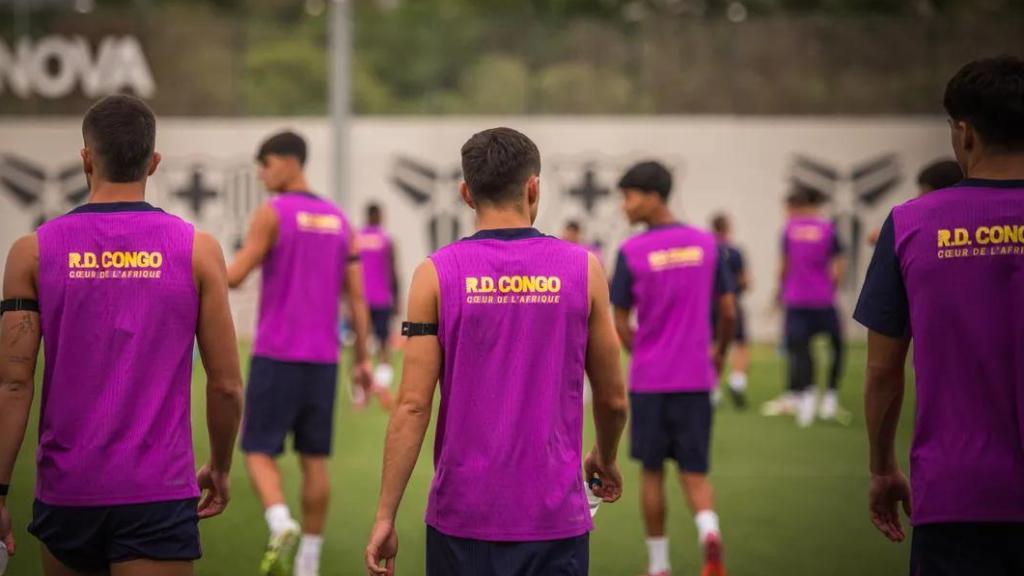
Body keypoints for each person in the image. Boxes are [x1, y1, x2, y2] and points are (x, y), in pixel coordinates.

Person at [365, 127, 628, 576]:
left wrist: (385, 516)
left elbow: (412, 406)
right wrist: (604, 457)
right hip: (554, 520)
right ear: (533, 188)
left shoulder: (434, 274)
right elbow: (613, 399)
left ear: (466, 194)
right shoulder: (584, 270)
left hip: (462, 518)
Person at [0, 95, 244, 576]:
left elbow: (12, 383)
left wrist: (1, 492)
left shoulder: (30, 253)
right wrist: (219, 466)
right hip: (157, 492)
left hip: (67, 492)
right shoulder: (198, 250)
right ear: (153, 163)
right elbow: (227, 386)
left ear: (86, 159)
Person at [855, 55, 1024, 576]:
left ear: (964, 133)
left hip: (958, 494)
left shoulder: (911, 224)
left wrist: (882, 466)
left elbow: (883, 371)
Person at [227, 130, 373, 576]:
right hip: (323, 362)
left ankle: (280, 521)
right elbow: (357, 299)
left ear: (290, 162)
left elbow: (234, 276)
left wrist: (193, 263)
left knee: (256, 450)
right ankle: (309, 561)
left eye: (266, 163)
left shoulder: (272, 213)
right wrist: (363, 361)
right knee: (315, 461)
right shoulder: (340, 221)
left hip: (277, 355)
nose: (261, 173)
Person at [610, 161, 736, 576]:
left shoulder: (631, 251)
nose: (624, 206)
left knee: (651, 472)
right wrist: (718, 353)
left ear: (653, 196)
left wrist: (642, 350)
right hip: (696, 378)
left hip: (650, 381)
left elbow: (619, 320)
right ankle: (708, 530)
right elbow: (728, 311)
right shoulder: (706, 244)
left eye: (629, 197)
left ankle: (659, 566)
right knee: (694, 472)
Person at [763, 187, 848, 427]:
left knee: (801, 351)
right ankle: (830, 397)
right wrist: (830, 287)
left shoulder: (789, 230)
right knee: (836, 347)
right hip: (823, 300)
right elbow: (839, 266)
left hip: (797, 300)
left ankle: (806, 400)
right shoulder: (828, 229)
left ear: (795, 207)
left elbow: (784, 266)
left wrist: (780, 293)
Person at [355, 203, 398, 411]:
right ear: (379, 216)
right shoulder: (386, 240)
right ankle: (382, 390)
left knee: (360, 346)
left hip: (361, 300)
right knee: (383, 346)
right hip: (381, 299)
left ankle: (360, 394)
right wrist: (396, 298)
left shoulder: (356, 238)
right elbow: (393, 271)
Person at [710, 212, 750, 409]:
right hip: (731, 302)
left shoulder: (707, 250)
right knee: (740, 343)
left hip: (709, 304)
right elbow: (744, 281)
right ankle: (737, 381)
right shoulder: (734, 252)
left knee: (712, 344)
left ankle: (713, 388)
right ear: (727, 227)